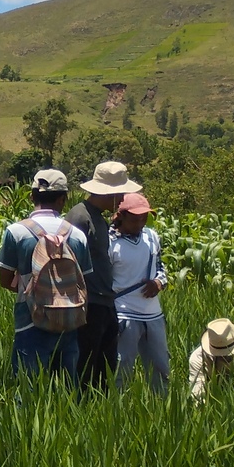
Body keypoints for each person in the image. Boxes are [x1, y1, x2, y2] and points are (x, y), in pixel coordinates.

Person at [0, 168, 94, 382]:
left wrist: (32, 289)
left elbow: (5, 279)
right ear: (63, 199)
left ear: (31, 196)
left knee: (28, 390)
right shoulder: (77, 235)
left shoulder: (16, 232)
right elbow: (84, 281)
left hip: (30, 320)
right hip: (69, 320)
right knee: (67, 391)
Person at [71, 160, 142, 389]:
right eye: (120, 193)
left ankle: (99, 410)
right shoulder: (80, 218)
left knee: (105, 368)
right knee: (87, 367)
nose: (122, 200)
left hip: (104, 301)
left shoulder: (98, 218)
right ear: (109, 193)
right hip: (89, 303)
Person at [108, 193, 170, 392]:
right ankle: (120, 409)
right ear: (122, 215)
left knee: (161, 368)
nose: (140, 223)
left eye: (144, 218)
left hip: (153, 314)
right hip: (124, 313)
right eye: (135, 219)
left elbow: (161, 267)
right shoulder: (109, 242)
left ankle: (162, 408)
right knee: (122, 368)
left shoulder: (151, 236)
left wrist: (159, 282)